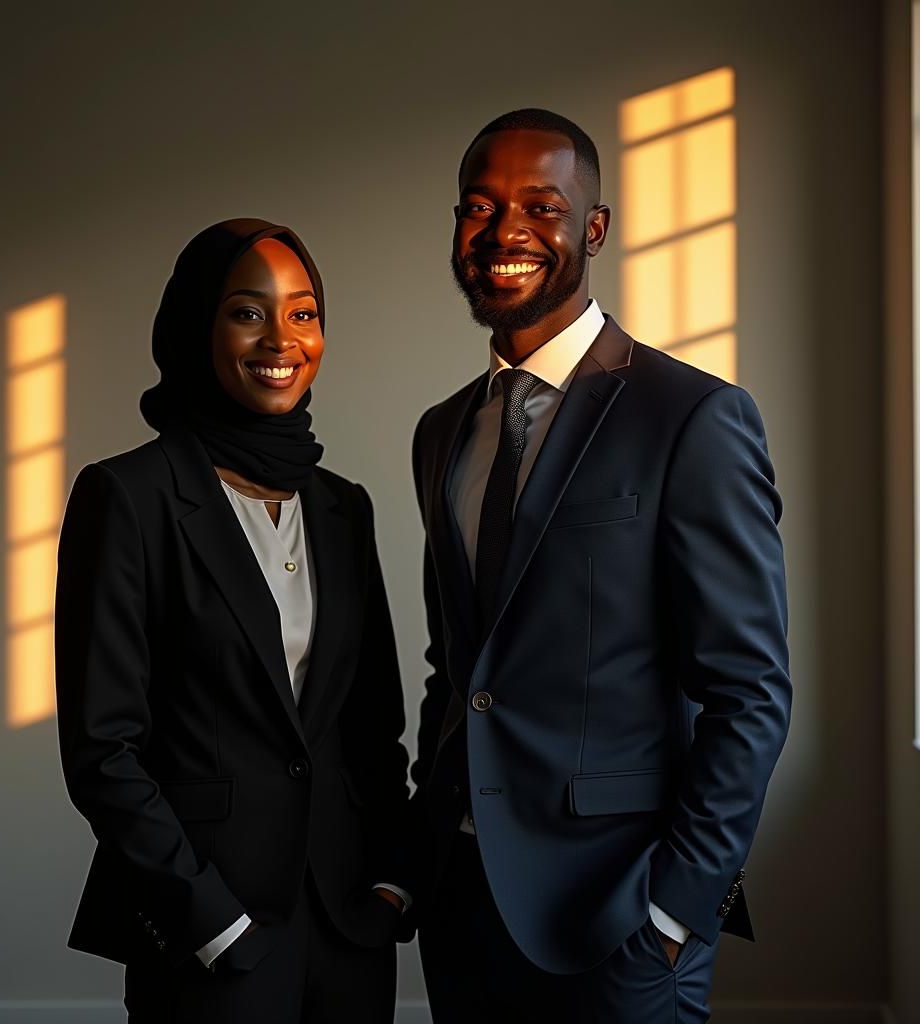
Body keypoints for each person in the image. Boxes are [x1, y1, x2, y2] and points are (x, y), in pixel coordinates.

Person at [406, 109, 792, 1022]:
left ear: (595, 227)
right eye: (479, 207)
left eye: (542, 206)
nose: (505, 232)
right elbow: (458, 671)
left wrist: (674, 908)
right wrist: (421, 849)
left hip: (619, 915)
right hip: (464, 907)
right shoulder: (443, 430)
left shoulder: (691, 418)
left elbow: (750, 691)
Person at [54, 218, 411, 1024]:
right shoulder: (128, 498)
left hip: (350, 927)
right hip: (207, 931)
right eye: (247, 311)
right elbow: (102, 750)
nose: (281, 338)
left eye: (304, 312)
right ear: (195, 327)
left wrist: (393, 881)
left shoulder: (343, 508)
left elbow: (372, 728)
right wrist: (207, 917)